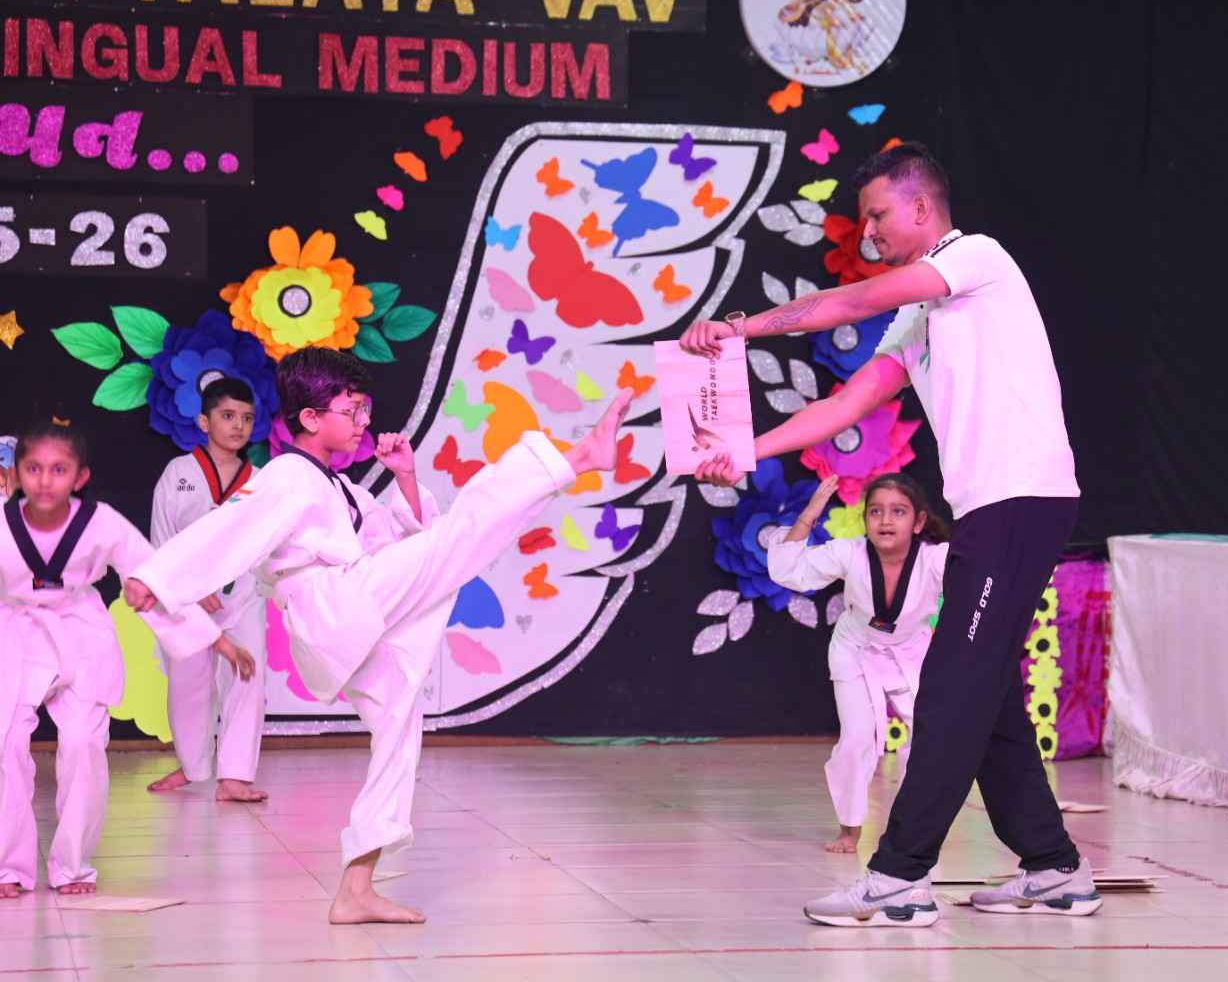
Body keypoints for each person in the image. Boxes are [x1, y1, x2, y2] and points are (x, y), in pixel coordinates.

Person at [681, 142, 1100, 925]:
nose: (868, 232)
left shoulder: (976, 258)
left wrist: (740, 328)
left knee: (951, 687)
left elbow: (852, 301)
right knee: (989, 696)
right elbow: (844, 406)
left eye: (876, 215)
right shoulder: (918, 318)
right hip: (992, 508)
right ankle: (1053, 866)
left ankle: (900, 876)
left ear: (920, 206)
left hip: (1022, 499)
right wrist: (742, 452)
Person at [123, 348, 630, 925]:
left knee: (400, 721)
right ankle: (580, 456)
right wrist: (156, 579)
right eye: (352, 410)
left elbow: (394, 534)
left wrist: (406, 477)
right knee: (455, 539)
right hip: (332, 602)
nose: (364, 422)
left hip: (345, 611)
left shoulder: (337, 485)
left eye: (365, 409)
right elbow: (230, 527)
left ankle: (356, 887)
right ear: (310, 417)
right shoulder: (287, 475)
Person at [1, 417, 243, 900]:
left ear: (80, 477)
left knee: (83, 745)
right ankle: (9, 866)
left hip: (81, 634)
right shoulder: (4, 525)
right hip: (15, 635)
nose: (45, 481)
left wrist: (212, 636)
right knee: (6, 748)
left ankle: (72, 866)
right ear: (16, 475)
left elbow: (153, 574)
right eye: (33, 469)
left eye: (58, 469)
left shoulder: (101, 521)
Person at [768, 473, 948, 854]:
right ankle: (849, 830)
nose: (886, 521)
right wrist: (811, 511)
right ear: (864, 519)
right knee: (856, 739)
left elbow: (984, 575)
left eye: (898, 512)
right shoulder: (849, 553)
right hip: (856, 650)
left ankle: (916, 828)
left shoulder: (935, 558)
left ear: (918, 522)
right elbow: (787, 569)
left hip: (912, 653)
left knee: (933, 738)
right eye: (876, 512)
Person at [147, 377, 271, 803]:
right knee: (189, 683)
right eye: (228, 416)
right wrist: (189, 588)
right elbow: (161, 542)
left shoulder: (261, 481)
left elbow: (264, 542)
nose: (238, 426)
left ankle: (234, 775)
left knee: (247, 675)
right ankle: (193, 765)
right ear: (204, 422)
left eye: (247, 418)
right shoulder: (178, 473)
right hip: (186, 599)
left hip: (242, 594)